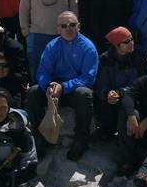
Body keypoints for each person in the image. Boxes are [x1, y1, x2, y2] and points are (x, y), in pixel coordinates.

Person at [26, 12, 97, 160]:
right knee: (33, 92)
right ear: (58, 29)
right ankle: (39, 137)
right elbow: (42, 71)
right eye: (64, 26)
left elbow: (88, 77)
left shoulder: (88, 47)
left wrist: (64, 87)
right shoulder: (52, 46)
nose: (68, 29)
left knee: (84, 94)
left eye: (72, 25)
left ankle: (81, 138)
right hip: (54, 89)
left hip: (72, 90)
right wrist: (48, 85)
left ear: (79, 26)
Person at [19, 0, 78, 81]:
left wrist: (72, 29)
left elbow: (73, 5)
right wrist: (25, 31)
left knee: (63, 69)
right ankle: (39, 98)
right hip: (37, 35)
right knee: (38, 70)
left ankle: (61, 98)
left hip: (63, 34)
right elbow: (23, 8)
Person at [94, 27, 144, 140]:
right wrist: (107, 93)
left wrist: (120, 92)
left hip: (129, 97)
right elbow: (100, 84)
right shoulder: (105, 59)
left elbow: (137, 85)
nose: (131, 43)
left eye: (131, 39)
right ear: (117, 45)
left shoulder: (137, 59)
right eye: (126, 41)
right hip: (110, 98)